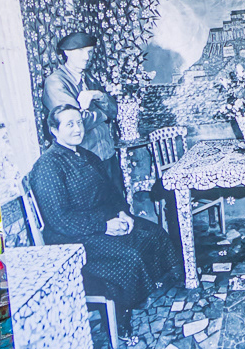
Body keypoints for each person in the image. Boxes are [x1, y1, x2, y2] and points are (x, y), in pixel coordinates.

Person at [28, 104, 181, 332]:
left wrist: (123, 213)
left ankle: (156, 285)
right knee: (129, 256)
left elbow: (112, 192)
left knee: (153, 233)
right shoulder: (48, 166)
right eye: (69, 124)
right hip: (73, 237)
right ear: (54, 130)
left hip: (103, 220)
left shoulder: (87, 155)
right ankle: (121, 314)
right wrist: (104, 227)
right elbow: (60, 220)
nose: (77, 129)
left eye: (79, 122)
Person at [42, 31, 120, 178]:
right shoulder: (55, 82)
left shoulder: (89, 79)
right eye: (80, 52)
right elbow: (78, 121)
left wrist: (98, 95)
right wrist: (104, 115)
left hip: (107, 156)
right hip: (82, 161)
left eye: (89, 52)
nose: (86, 57)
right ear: (66, 53)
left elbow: (114, 110)